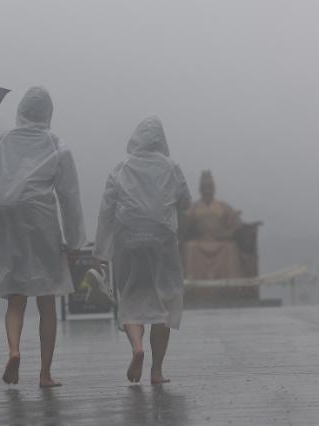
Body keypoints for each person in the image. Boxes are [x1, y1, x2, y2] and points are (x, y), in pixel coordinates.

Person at [0, 86, 86, 388]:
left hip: (5, 219)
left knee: (15, 296)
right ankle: (45, 374)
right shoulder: (56, 144)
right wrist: (75, 243)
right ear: (48, 113)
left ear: (21, 111)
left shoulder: (0, 143)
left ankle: (13, 350)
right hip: (40, 218)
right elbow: (69, 196)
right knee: (46, 299)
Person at [93, 115, 191, 384]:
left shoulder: (121, 168)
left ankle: (137, 348)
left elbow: (106, 210)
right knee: (165, 300)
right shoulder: (171, 167)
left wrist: (100, 252)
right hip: (162, 242)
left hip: (129, 240)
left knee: (131, 296)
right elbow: (185, 201)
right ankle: (157, 371)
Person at [180, 170, 244, 280]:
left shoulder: (222, 205)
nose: (207, 189)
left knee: (230, 248)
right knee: (190, 247)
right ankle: (192, 281)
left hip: (219, 241)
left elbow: (237, 222)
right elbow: (185, 224)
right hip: (200, 241)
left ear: (213, 188)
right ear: (201, 188)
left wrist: (228, 233)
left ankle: (231, 283)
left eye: (210, 186)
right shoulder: (194, 206)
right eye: (204, 186)